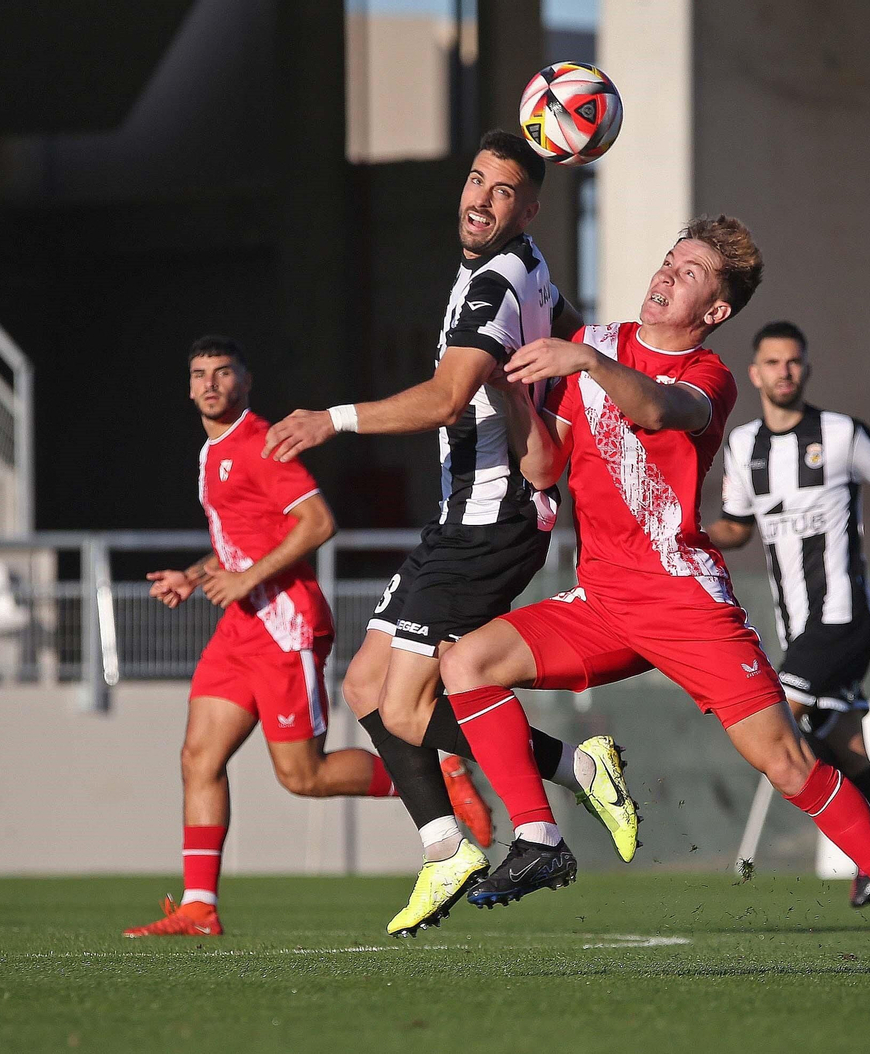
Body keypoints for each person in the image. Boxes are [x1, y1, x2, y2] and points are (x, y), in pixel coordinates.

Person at [439, 217, 870, 976]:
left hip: (686, 604)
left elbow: (658, 411)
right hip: (602, 601)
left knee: (789, 762)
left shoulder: (709, 375)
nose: (665, 275)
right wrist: (510, 393)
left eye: (689, 272)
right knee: (465, 664)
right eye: (668, 260)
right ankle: (539, 838)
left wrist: (585, 360)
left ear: (715, 311)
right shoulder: (594, 340)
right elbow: (542, 467)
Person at [260, 131, 639, 937]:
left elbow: (442, 399)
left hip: (490, 521)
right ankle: (445, 844)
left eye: (502, 191)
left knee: (403, 706)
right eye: (475, 180)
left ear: (527, 207)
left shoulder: (493, 285)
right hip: (462, 515)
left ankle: (567, 776)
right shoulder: (527, 264)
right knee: (365, 688)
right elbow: (571, 325)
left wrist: (331, 419)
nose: (480, 198)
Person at [126, 336, 406, 938]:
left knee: (303, 777)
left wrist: (246, 578)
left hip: (284, 624)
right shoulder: (211, 452)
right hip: (240, 629)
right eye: (199, 373)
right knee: (199, 757)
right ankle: (199, 907)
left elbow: (319, 522)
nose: (209, 383)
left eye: (222, 373)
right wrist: (194, 574)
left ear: (245, 383)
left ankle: (425, 777)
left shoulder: (261, 444)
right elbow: (240, 540)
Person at [708, 320, 870, 915]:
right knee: (847, 759)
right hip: (798, 630)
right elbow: (737, 526)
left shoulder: (841, 434)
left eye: (793, 361)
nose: (784, 371)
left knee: (773, 729)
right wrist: (688, 533)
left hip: (845, 620)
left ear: (807, 368)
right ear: (755, 374)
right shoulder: (744, 446)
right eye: (772, 363)